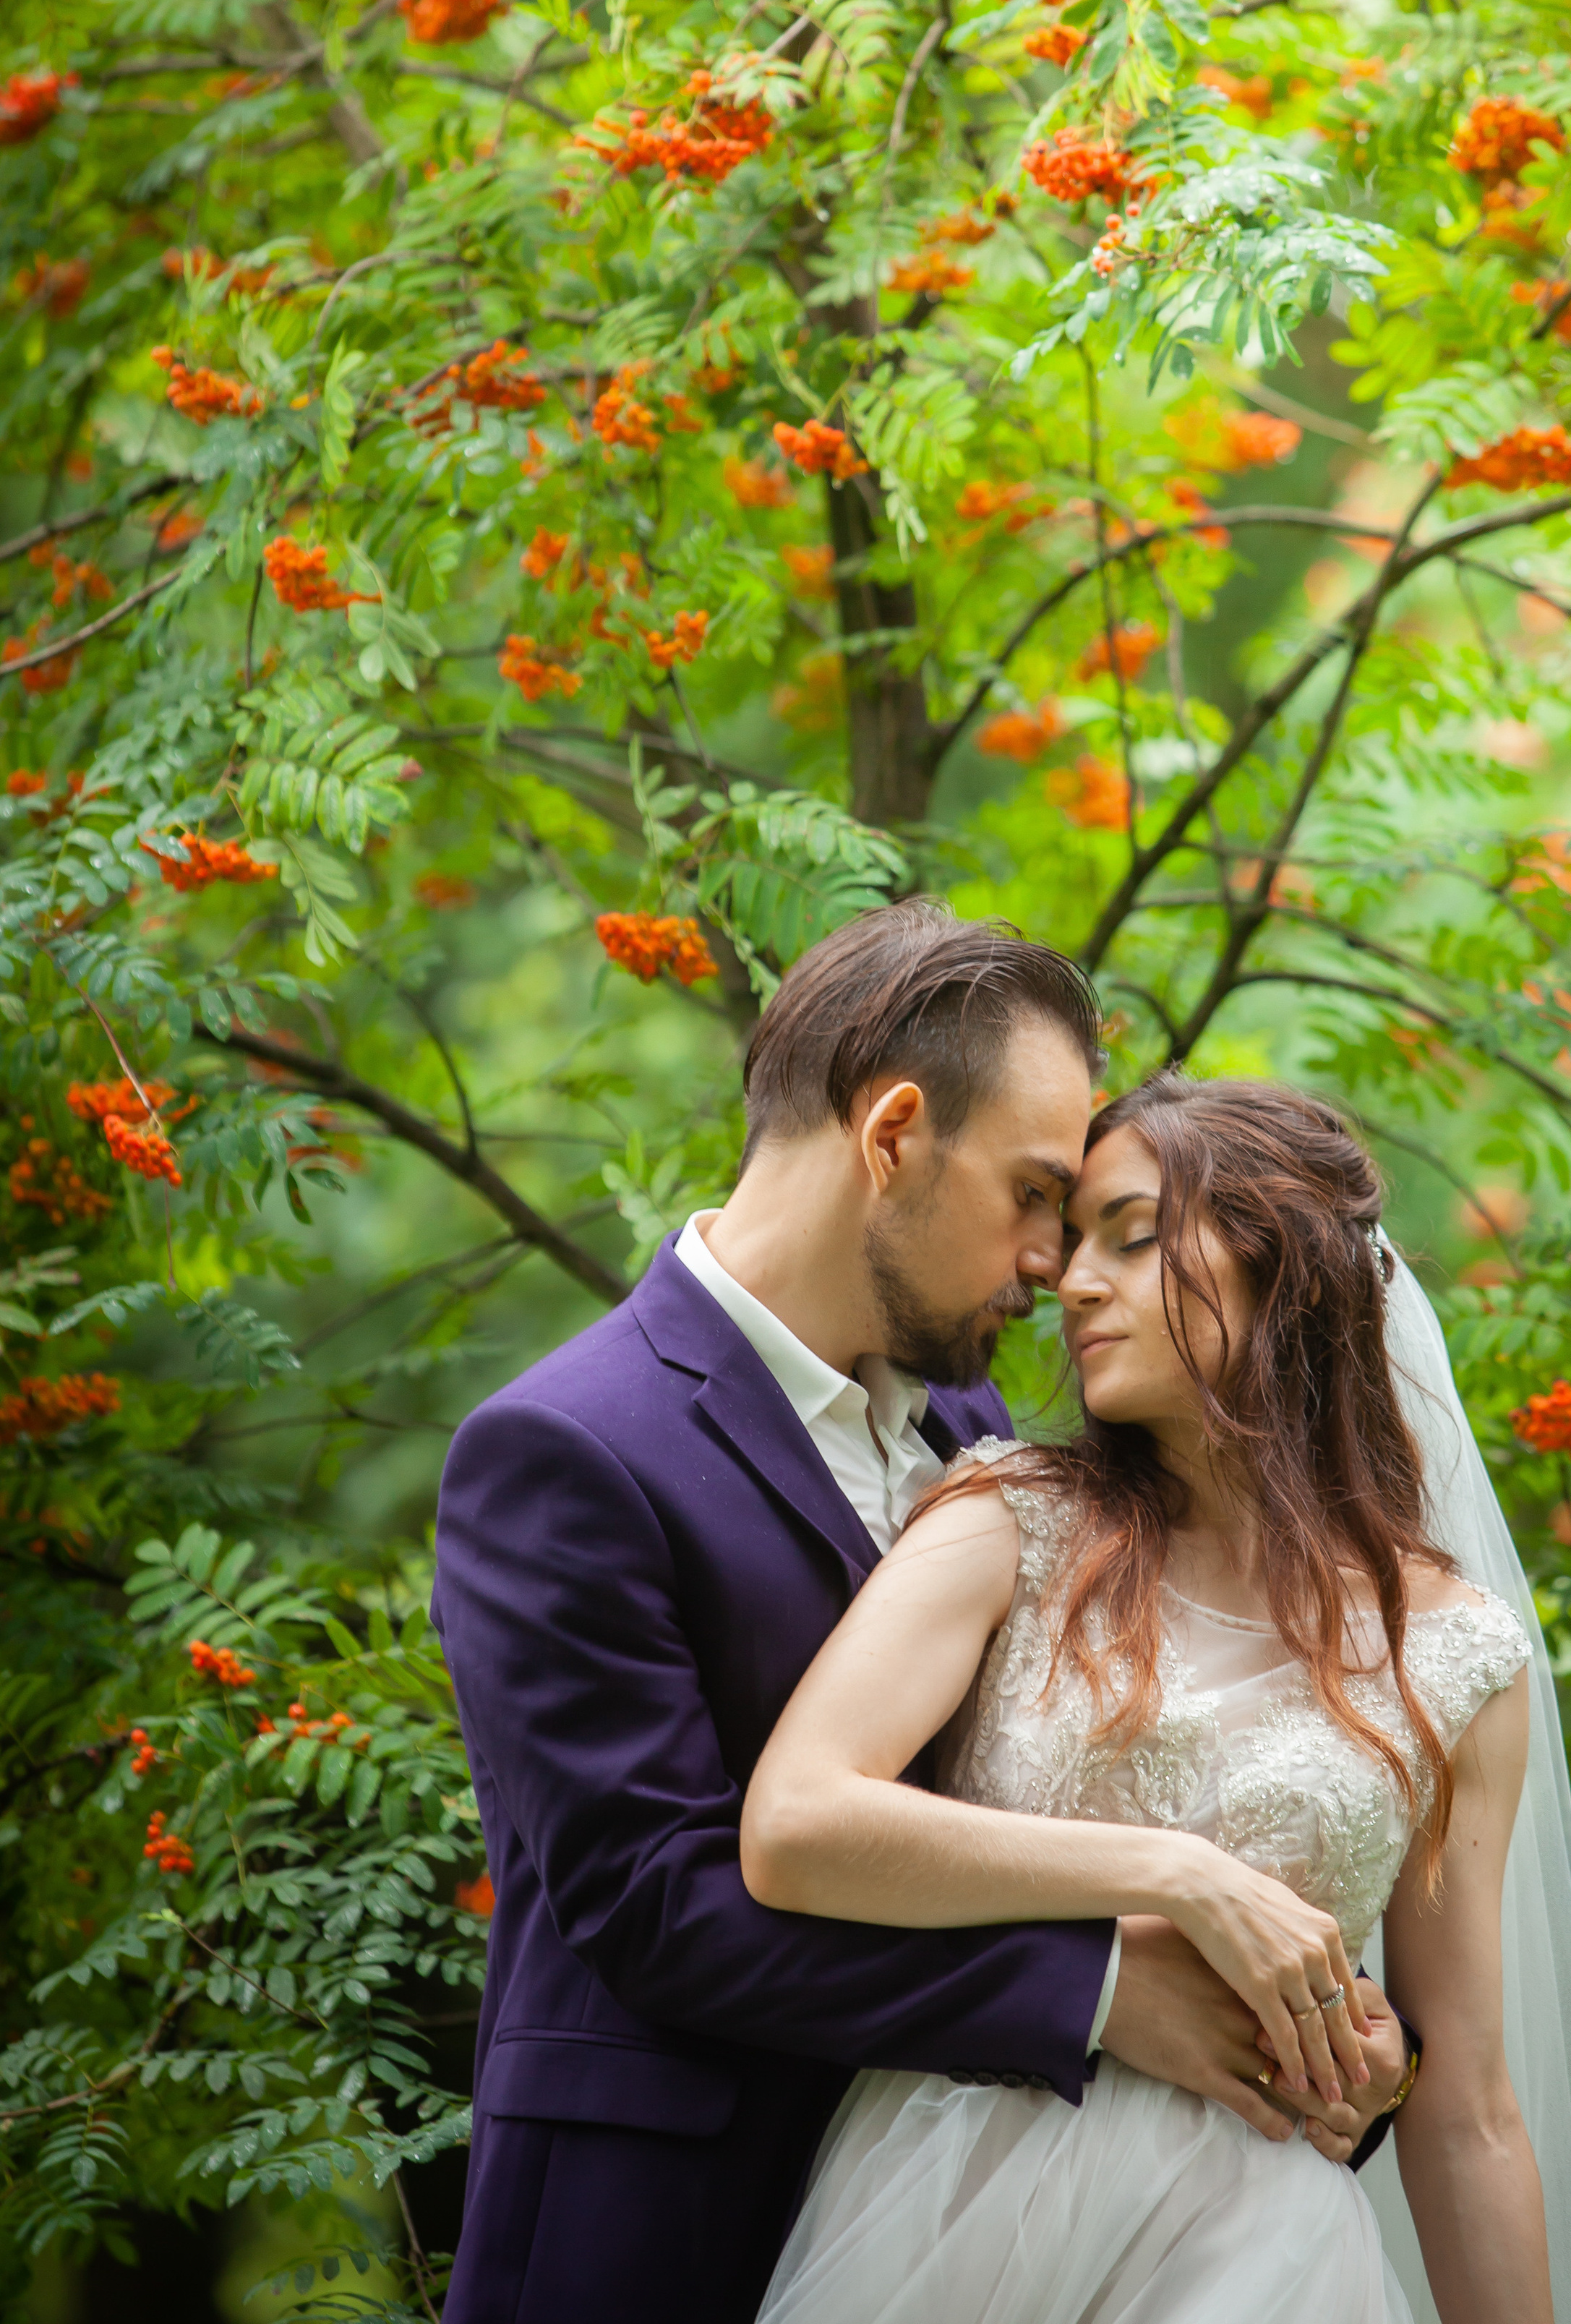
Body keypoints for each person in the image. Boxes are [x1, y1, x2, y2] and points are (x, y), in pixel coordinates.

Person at [430, 908, 1409, 2324]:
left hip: (966, 2231)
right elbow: (664, 1909)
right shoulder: (567, 1450)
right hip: (662, 2236)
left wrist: (1323, 2036)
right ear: (891, 1135)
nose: (1048, 1264)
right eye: (1030, 1198)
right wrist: (1096, 1997)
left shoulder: (972, 1424)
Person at [742, 1074, 1557, 2324]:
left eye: (1130, 1236)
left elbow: (1469, 2111)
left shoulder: (1449, 1654)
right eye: (1071, 1243)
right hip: (968, 2211)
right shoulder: (1006, 1518)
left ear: (1282, 1267)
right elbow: (797, 1823)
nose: (1069, 1283)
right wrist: (1182, 1874)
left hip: (1265, 2255)